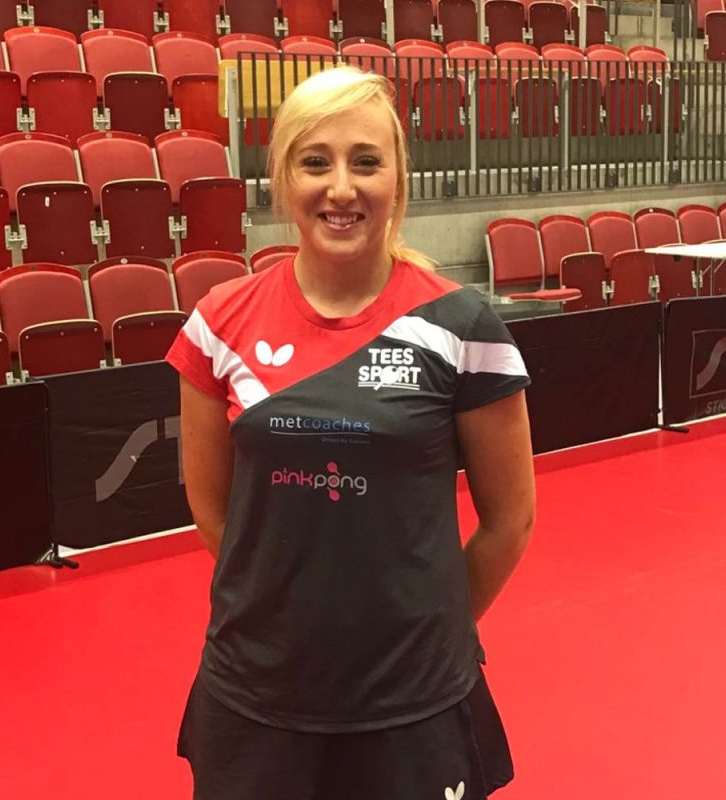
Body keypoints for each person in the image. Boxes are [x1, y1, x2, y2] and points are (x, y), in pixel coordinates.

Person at [165, 66, 536, 800]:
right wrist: (284, 604)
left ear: (398, 178)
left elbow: (509, 519)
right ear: (282, 181)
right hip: (256, 695)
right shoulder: (218, 322)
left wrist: (422, 626)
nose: (342, 188)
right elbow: (214, 508)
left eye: (366, 161)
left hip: (415, 703)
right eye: (315, 162)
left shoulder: (461, 325)